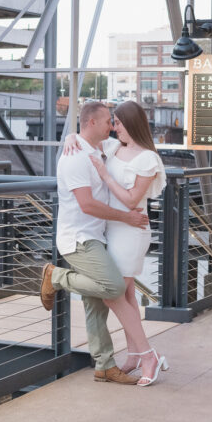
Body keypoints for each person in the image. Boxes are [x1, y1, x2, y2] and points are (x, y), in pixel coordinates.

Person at [38, 101, 149, 385]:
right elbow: (86, 205)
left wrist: (70, 135)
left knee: (96, 303)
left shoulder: (102, 148)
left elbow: (129, 145)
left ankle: (104, 365)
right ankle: (56, 276)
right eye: (107, 122)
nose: (112, 127)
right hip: (78, 239)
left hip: (96, 237)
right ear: (91, 123)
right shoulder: (75, 158)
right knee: (112, 287)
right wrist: (127, 217)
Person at [64, 100, 169, 387]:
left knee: (113, 294)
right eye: (112, 122)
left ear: (130, 123)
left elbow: (132, 200)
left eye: (118, 123)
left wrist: (105, 174)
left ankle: (148, 355)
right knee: (128, 295)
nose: (113, 127)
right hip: (111, 229)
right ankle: (135, 352)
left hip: (131, 230)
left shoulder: (147, 158)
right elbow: (87, 135)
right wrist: (71, 136)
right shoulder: (113, 147)